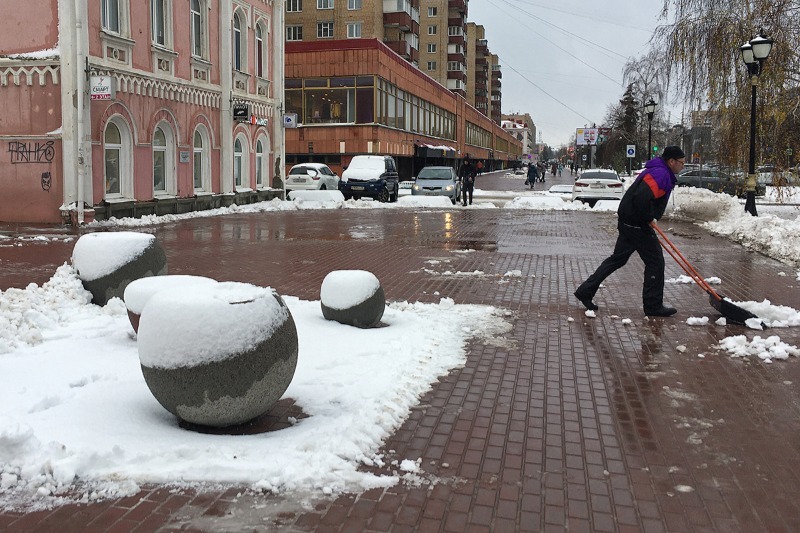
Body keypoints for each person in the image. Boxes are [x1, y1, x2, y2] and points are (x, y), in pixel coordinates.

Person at [573, 145, 686, 317]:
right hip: (637, 224)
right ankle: (653, 306)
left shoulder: (659, 171)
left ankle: (585, 291)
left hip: (629, 221)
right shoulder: (660, 174)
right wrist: (648, 217)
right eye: (681, 163)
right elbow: (641, 197)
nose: (682, 166)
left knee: (617, 259)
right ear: (671, 161)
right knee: (655, 262)